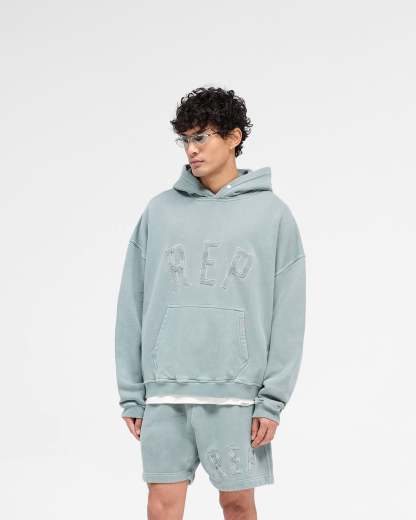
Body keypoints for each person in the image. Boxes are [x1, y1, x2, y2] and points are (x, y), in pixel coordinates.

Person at [115, 86, 306, 519]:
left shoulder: (273, 215)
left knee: (237, 504)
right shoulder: (159, 212)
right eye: (185, 139)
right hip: (164, 394)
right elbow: (131, 304)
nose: (191, 150)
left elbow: (289, 314)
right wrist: (131, 394)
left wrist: (272, 400)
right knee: (162, 504)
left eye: (201, 137)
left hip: (237, 398)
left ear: (234, 137)